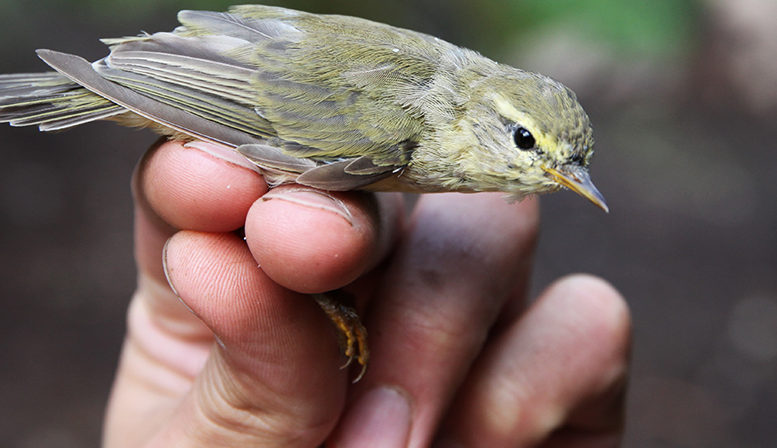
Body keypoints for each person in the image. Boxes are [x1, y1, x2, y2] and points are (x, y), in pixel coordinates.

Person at [102, 139, 631, 447]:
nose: (558, 174)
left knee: (310, 234)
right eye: (524, 141)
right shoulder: (402, 130)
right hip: (211, 119)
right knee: (299, 231)